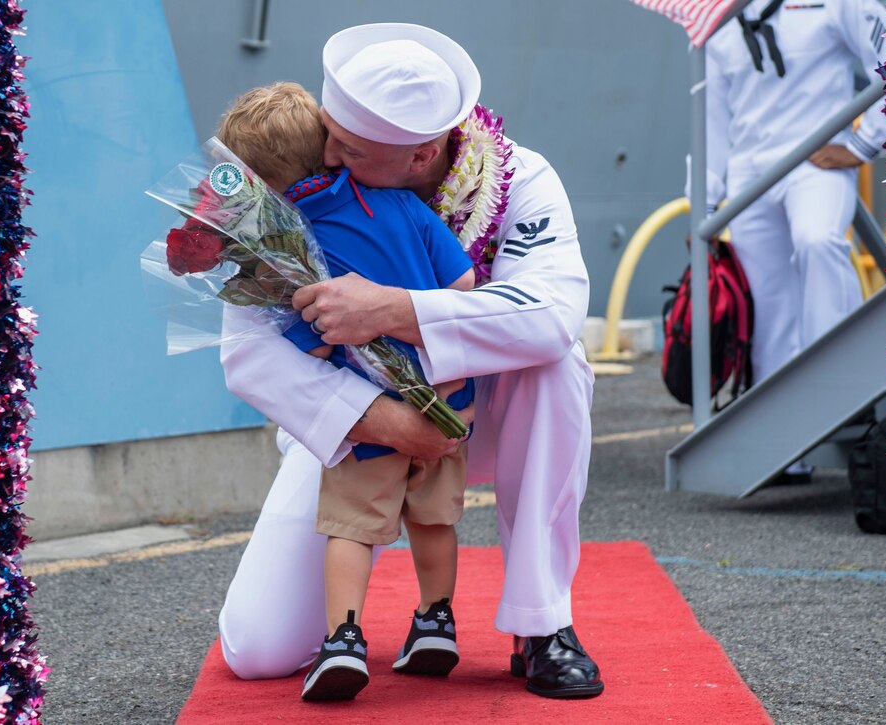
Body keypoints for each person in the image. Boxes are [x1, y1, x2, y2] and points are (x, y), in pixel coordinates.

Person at [218, 23, 603, 699]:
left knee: (557, 361)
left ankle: (543, 623)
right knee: (257, 647)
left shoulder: (520, 179)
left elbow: (553, 311)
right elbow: (246, 351)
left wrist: (394, 310)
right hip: (356, 421)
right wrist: (386, 421)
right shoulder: (306, 181)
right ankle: (349, 630)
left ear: (422, 155)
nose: (326, 154)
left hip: (481, 412)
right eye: (329, 130)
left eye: (349, 148)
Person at [217, 81, 476, 701]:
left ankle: (347, 638)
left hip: (388, 423)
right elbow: (467, 285)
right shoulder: (397, 207)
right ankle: (437, 621)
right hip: (427, 406)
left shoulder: (293, 241)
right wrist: (421, 382)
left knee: (350, 526)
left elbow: (316, 342)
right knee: (432, 520)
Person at [698, 0, 886, 481]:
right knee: (767, 300)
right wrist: (701, 207)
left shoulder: (836, 3)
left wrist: (863, 145)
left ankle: (839, 395)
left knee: (818, 241)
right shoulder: (716, 20)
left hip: (814, 161)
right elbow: (712, 124)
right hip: (750, 173)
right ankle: (786, 443)